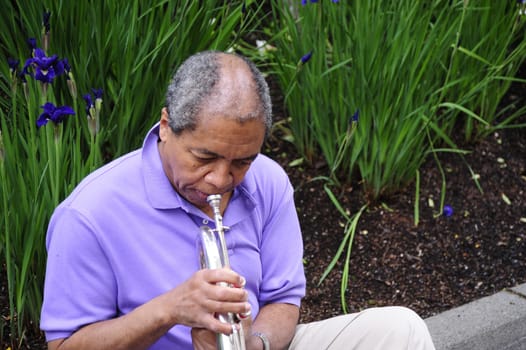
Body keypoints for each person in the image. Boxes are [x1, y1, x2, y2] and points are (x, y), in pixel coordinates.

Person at [40, 50, 436, 350]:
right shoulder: (88, 215)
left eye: (242, 161)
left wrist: (254, 342)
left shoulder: (269, 180)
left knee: (402, 330)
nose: (220, 180)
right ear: (165, 127)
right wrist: (170, 310)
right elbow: (63, 346)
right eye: (204, 157)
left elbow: (283, 302)